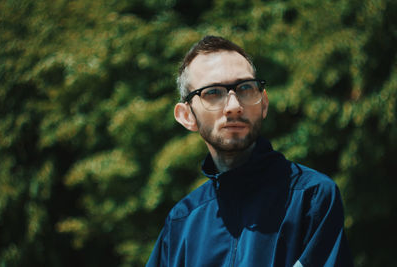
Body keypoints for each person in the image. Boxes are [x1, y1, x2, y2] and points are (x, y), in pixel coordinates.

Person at [146, 36, 353, 267]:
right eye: (213, 92)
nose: (234, 106)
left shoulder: (311, 198)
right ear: (186, 116)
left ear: (263, 104)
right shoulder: (181, 222)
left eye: (245, 88)